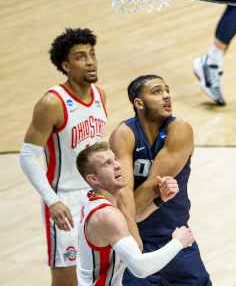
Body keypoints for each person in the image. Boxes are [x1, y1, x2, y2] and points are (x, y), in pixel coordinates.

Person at [19, 28, 107, 286]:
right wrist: (52, 201)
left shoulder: (101, 95)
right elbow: (26, 155)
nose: (90, 61)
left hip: (96, 197)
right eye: (81, 57)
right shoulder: (52, 103)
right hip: (65, 200)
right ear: (66, 66)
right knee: (65, 280)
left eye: (92, 54)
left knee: (100, 272)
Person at [109, 75, 212, 286]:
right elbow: (123, 194)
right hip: (138, 241)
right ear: (139, 103)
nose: (166, 95)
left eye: (167, 90)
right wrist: (132, 236)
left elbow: (151, 188)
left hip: (175, 236)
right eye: (157, 91)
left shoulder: (180, 130)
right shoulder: (124, 134)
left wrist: (128, 215)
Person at [76, 141, 195, 286]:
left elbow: (130, 219)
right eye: (108, 163)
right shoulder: (106, 215)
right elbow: (141, 268)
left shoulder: (95, 199)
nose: (118, 165)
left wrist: (160, 200)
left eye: (115, 159)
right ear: (93, 179)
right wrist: (178, 242)